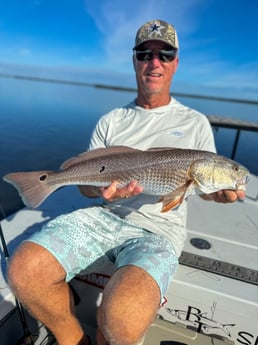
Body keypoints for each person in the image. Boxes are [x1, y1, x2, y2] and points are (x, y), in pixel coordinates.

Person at [7, 19, 245, 345]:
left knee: (122, 321)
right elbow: (86, 188)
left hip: (159, 230)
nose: (154, 62)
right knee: (23, 270)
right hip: (105, 216)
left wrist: (216, 194)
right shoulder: (111, 120)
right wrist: (98, 190)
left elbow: (198, 188)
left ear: (176, 62)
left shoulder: (196, 124)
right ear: (135, 60)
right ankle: (73, 339)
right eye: (145, 53)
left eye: (165, 54)